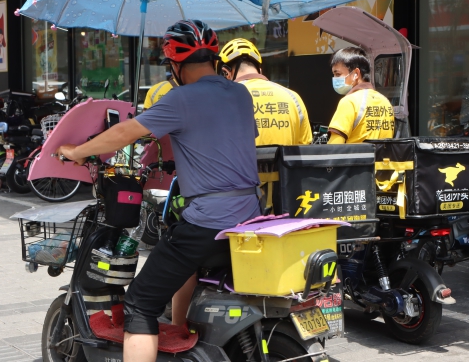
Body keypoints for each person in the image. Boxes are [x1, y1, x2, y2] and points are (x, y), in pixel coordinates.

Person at [54, 19, 261, 362]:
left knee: (140, 303)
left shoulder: (180, 98)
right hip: (249, 219)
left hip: (207, 223)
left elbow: (125, 133)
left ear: (175, 65)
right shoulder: (239, 93)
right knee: (185, 266)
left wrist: (77, 151)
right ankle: (182, 330)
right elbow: (225, 140)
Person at [218, 38, 312, 145]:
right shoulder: (293, 98)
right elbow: (305, 147)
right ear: (260, 70)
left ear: (226, 73)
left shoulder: (221, 101)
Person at [327, 47, 395, 143]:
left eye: (338, 74)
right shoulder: (385, 102)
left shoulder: (349, 102)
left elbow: (334, 147)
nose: (334, 78)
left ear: (356, 73)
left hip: (355, 154)